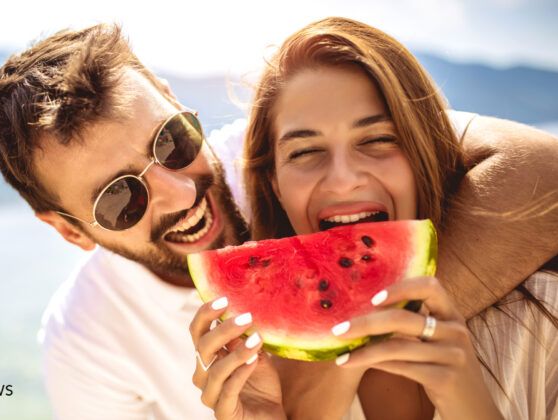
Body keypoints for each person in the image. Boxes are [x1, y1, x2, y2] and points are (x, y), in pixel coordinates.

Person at [0, 23, 558, 419]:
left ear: (175, 102)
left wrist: (351, 340)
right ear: (71, 231)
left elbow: (542, 168)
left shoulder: (283, 150)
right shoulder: (85, 343)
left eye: (172, 139)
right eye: (119, 200)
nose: (182, 193)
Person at [189, 17, 558, 419]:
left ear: (423, 157)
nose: (343, 181)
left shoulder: (543, 322)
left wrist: (471, 405)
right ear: (276, 185)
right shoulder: (261, 376)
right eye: (305, 151)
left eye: (378, 140)